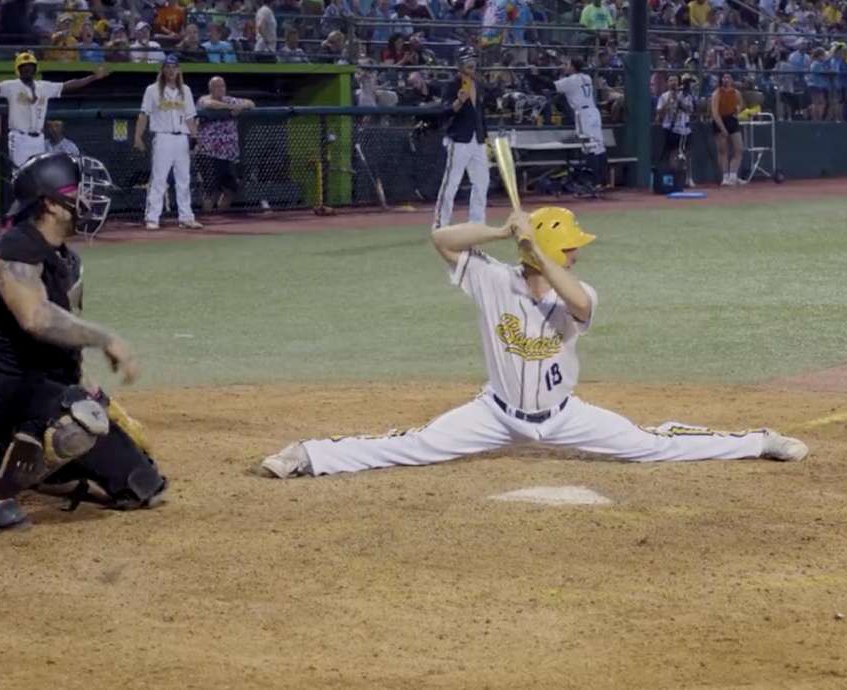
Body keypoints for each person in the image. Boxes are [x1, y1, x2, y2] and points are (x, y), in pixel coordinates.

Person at [257, 206, 808, 479]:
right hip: (493, 414)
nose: (578, 254)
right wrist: (502, 233)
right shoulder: (493, 279)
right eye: (569, 247)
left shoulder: (577, 290)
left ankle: (758, 440)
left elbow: (579, 302)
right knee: (414, 444)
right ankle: (308, 455)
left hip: (566, 417)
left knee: (654, 446)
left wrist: (538, 252)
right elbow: (439, 239)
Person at [0, 152, 167, 530]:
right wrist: (105, 337)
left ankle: (36, 465)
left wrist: (86, 389)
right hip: (4, 388)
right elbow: (36, 318)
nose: (89, 199)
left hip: (50, 388)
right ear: (49, 202)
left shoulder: (67, 259)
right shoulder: (15, 249)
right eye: (79, 191)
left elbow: (62, 339)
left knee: (141, 484)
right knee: (78, 423)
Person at [0, 51, 107, 169]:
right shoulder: (11, 86)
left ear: (35, 69)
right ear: (18, 70)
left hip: (38, 139)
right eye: (23, 67)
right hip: (19, 138)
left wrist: (93, 77)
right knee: (19, 173)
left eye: (30, 66)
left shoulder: (43, 86)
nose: (27, 69)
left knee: (39, 174)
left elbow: (67, 85)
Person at [134, 54, 201, 230]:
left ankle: (186, 217)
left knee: (183, 179)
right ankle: (152, 217)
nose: (171, 70)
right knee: (159, 179)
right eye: (168, 67)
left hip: (181, 138)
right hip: (163, 137)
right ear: (163, 70)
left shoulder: (185, 90)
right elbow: (143, 114)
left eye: (174, 67)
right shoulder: (152, 89)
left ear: (178, 70)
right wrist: (137, 136)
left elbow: (190, 116)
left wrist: (195, 137)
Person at [433, 46, 489, 230]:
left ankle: (477, 222)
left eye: (473, 59)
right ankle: (441, 223)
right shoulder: (453, 84)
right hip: (459, 139)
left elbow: (481, 113)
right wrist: (459, 101)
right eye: (467, 59)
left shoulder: (478, 84)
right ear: (459, 63)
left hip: (477, 139)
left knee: (482, 182)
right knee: (451, 183)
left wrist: (485, 136)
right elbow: (444, 111)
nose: (471, 63)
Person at [196, 76, 254, 212]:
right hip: (208, 153)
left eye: (222, 86)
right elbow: (209, 104)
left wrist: (241, 105)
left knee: (231, 189)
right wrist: (231, 107)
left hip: (228, 154)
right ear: (211, 88)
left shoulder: (230, 99)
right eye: (217, 86)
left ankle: (220, 216)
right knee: (209, 191)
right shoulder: (204, 99)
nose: (220, 89)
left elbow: (251, 103)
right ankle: (208, 219)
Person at [555, 57, 607, 188]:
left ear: (573, 67)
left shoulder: (571, 80)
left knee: (590, 147)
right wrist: (563, 72)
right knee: (599, 146)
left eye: (568, 65)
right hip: (594, 112)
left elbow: (554, 86)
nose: (566, 67)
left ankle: (593, 182)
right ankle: (601, 181)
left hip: (584, 114)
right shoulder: (586, 77)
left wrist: (558, 72)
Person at [655, 74, 694, 183]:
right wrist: (669, 101)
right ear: (667, 83)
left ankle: (688, 178)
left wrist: (678, 100)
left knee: (687, 154)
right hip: (670, 128)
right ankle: (674, 178)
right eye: (671, 80)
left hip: (685, 128)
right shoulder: (663, 96)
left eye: (675, 80)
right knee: (672, 153)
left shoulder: (686, 95)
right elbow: (659, 113)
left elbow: (690, 110)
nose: (673, 82)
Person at [710, 72, 743, 186]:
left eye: (729, 77)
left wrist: (738, 109)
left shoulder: (736, 93)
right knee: (723, 151)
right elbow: (715, 113)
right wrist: (723, 128)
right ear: (721, 80)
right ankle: (725, 177)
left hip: (732, 120)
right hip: (720, 121)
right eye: (724, 77)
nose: (726, 79)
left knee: (739, 149)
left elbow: (740, 104)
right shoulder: (716, 94)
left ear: (732, 80)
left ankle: (733, 176)